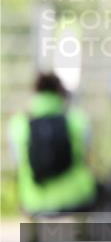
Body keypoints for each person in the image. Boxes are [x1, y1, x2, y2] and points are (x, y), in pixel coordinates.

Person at [8, 72, 99, 215]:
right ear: (60, 92)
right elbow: (87, 155)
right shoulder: (77, 119)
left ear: (35, 93)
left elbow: (18, 162)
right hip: (76, 199)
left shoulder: (18, 124)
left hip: (35, 202)